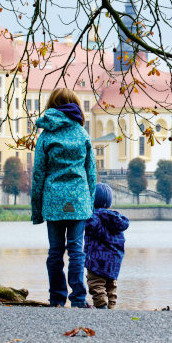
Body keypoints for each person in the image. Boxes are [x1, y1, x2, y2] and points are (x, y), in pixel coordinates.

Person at [31, 87, 96, 308]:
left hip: (53, 200)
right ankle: (78, 299)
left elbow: (38, 174)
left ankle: (56, 298)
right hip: (78, 200)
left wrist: (37, 210)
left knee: (55, 252)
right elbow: (91, 174)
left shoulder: (46, 135)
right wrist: (90, 204)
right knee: (76, 251)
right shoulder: (82, 133)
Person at [84, 183, 129, 309]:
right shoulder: (117, 219)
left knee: (96, 283)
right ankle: (111, 306)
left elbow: (89, 226)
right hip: (114, 260)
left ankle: (101, 305)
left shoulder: (93, 216)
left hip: (96, 258)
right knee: (111, 285)